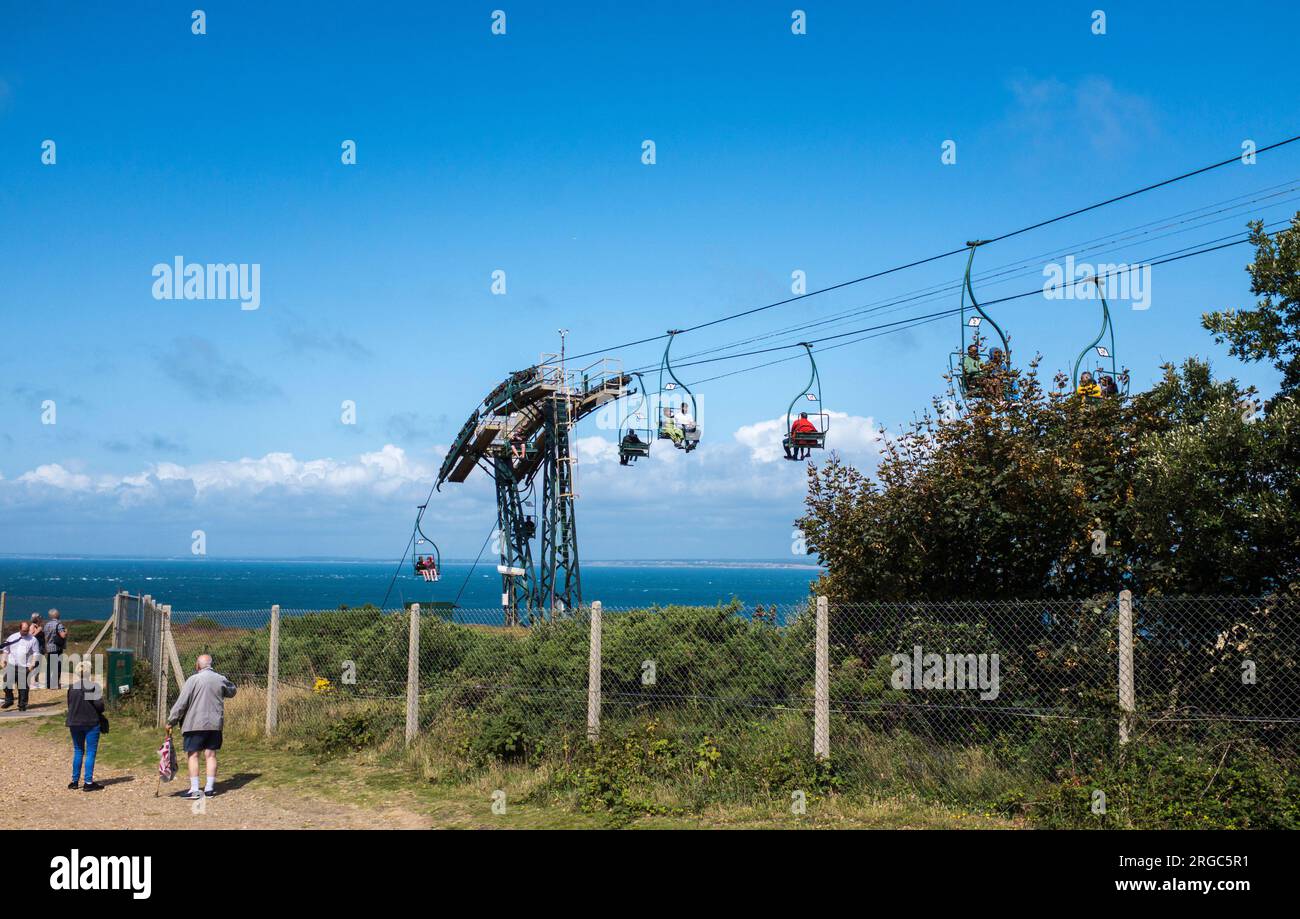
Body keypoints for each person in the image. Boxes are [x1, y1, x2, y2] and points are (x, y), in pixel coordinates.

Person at [166, 654, 237, 799]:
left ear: (198, 665)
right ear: (211, 665)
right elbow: (232, 691)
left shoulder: (193, 680)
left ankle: (194, 789)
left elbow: (181, 703)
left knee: (193, 755)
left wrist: (171, 720)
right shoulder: (220, 678)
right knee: (211, 755)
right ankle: (210, 789)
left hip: (195, 724)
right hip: (214, 724)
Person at [66, 660, 105, 792]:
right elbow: (99, 706)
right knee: (90, 752)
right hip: (90, 722)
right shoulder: (93, 686)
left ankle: (74, 781)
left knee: (78, 751)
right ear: (89, 672)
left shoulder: (72, 687)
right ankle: (88, 782)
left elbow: (70, 704)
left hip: (74, 722)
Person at [1, 622, 39, 711]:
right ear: (20, 629)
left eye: (26, 631)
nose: (25, 632)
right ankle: (9, 700)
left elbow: (36, 653)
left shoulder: (33, 640)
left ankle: (22, 705)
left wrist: (32, 665)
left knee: (23, 687)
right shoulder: (12, 637)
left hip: (25, 666)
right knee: (6, 683)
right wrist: (3, 660)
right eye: (23, 630)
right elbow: (6, 650)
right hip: (12, 665)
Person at [43, 609, 68, 690]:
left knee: (49, 666)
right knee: (57, 666)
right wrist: (66, 632)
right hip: (57, 647)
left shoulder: (47, 625)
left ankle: (48, 684)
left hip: (49, 647)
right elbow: (63, 635)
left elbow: (45, 637)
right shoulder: (59, 625)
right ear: (58, 615)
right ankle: (55, 683)